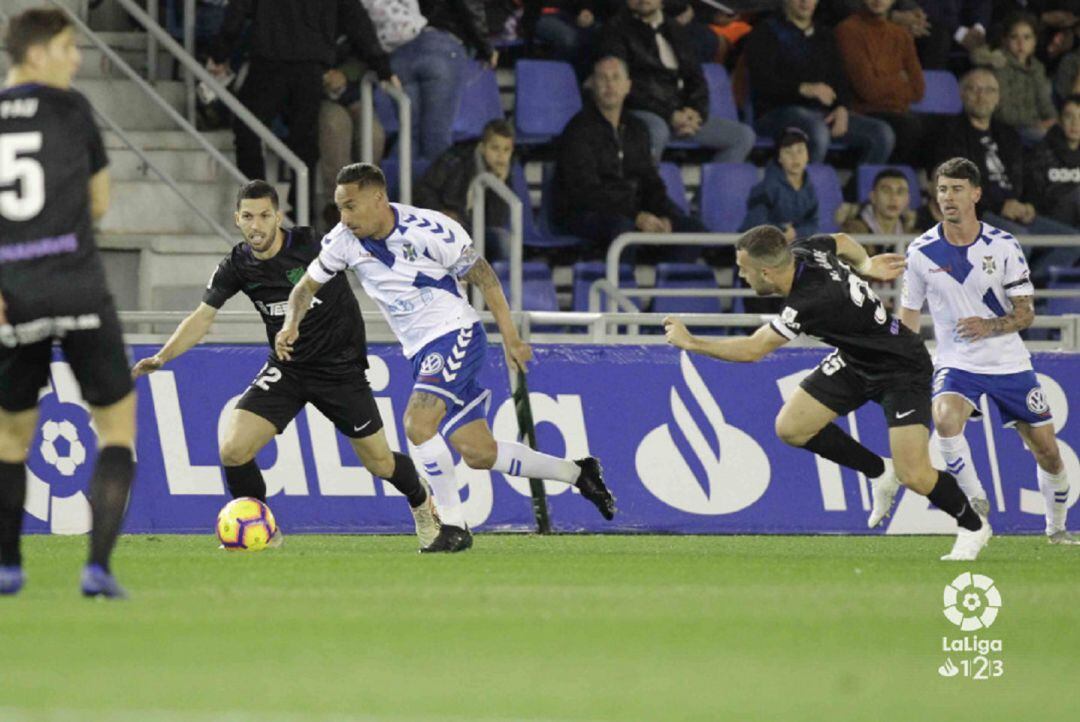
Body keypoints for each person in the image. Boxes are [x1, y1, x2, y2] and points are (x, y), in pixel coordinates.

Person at [276, 163, 616, 553]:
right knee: (479, 453)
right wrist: (291, 324)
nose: (344, 217)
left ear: (378, 198)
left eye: (351, 206)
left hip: (455, 333)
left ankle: (453, 526)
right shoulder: (343, 241)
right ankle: (578, 472)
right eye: (340, 208)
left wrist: (511, 338)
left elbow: (485, 276)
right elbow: (303, 289)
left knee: (418, 424)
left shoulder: (428, 229)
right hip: (420, 351)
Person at [131, 181, 439, 550]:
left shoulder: (313, 245)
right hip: (288, 369)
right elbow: (202, 317)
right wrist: (163, 356)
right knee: (233, 449)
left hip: (340, 371)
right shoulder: (237, 265)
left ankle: (421, 501)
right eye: (248, 217)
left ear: (279, 217)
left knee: (380, 463)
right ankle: (262, 533)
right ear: (237, 219)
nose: (256, 225)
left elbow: (372, 258)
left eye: (264, 216)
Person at [663, 227, 994, 560]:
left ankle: (973, 525)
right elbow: (840, 240)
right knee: (791, 427)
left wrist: (691, 342)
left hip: (901, 369)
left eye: (743, 269)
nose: (741, 275)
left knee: (915, 474)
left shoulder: (810, 300)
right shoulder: (805, 251)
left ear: (766, 272)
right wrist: (865, 265)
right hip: (855, 360)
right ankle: (880, 470)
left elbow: (753, 349)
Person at [0, 9, 137, 597]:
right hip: (79, 286)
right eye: (66, 47)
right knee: (116, 432)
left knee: (9, 440)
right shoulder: (73, 111)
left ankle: (8, 567)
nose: (76, 58)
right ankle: (97, 568)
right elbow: (101, 203)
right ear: (35, 54)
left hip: (14, 294)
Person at [900, 157, 1077, 545]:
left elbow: (1026, 313)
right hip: (957, 362)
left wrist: (989, 326)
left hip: (1009, 363)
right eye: (942, 189)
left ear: (976, 194)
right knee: (945, 418)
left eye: (957, 189)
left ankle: (1057, 528)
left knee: (1047, 451)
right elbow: (909, 314)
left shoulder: (1003, 245)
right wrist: (903, 359)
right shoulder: (921, 251)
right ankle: (975, 497)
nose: (947, 197)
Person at [207, 0, 396, 212]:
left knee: (248, 129)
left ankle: (259, 204)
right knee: (304, 143)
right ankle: (301, 215)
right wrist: (383, 68)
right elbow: (356, 20)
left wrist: (220, 53)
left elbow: (238, 11)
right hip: (311, 65)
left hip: (269, 59)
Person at [552, 55, 709, 260]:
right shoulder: (578, 130)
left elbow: (650, 181)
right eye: (603, 78)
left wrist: (665, 215)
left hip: (629, 211)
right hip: (585, 212)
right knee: (623, 229)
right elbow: (586, 191)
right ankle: (623, 289)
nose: (609, 84)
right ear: (592, 84)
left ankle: (669, 289)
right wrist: (636, 216)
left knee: (691, 228)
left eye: (616, 77)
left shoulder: (637, 128)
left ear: (628, 86)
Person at [932, 68, 1078, 250]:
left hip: (1014, 211)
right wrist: (1000, 206)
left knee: (1072, 241)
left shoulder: (1009, 135)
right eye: (974, 89)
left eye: (989, 90)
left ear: (998, 97)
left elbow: (1026, 176)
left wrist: (1029, 205)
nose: (981, 96)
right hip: (980, 212)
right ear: (962, 94)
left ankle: (1036, 279)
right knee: (1019, 240)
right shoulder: (949, 133)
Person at [597, 0, 756, 162]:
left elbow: (696, 78)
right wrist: (669, 114)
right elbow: (624, 87)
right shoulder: (615, 30)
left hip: (680, 114)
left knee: (742, 136)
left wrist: (695, 112)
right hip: (641, 112)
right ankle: (644, 186)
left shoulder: (676, 29)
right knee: (657, 131)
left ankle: (720, 186)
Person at [743, 0, 895, 165]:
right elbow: (762, 82)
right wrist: (802, 89)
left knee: (882, 134)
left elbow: (840, 78)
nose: (805, 2)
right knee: (817, 131)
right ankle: (806, 188)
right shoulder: (765, 32)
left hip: (822, 114)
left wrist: (842, 107)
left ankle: (853, 190)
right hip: (777, 112)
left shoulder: (825, 35)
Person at [361, 0, 497, 163]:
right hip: (442, 46)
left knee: (408, 136)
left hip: (401, 48)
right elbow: (469, 5)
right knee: (436, 138)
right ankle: (433, 188)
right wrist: (486, 47)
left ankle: (400, 187)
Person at [836, 0, 928, 166]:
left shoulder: (901, 35)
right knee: (909, 127)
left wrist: (881, 79)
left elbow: (918, 89)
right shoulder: (848, 30)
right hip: (863, 112)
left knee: (937, 129)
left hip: (896, 112)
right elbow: (867, 90)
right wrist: (899, 79)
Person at [414, 119, 517, 260]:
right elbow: (423, 189)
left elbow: (496, 222)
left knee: (505, 241)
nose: (501, 156)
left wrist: (500, 184)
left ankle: (504, 282)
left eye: (506, 150)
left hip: (475, 230)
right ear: (482, 147)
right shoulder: (455, 160)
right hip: (446, 227)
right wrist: (441, 212)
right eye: (495, 148)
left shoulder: (505, 172)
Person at [973, 12, 1057, 145]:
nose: (1020, 43)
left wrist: (1053, 120)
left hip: (1035, 125)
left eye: (1027, 37)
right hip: (1008, 129)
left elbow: (1045, 103)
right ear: (1005, 40)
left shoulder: (1037, 67)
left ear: (1035, 41)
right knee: (1046, 138)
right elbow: (1002, 113)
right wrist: (1036, 123)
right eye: (1014, 37)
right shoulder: (999, 65)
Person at [739, 127, 820, 240]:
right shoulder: (766, 187)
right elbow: (755, 222)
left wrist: (796, 232)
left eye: (800, 150)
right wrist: (782, 230)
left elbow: (814, 224)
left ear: (808, 156)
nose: (795, 157)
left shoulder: (810, 189)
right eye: (788, 152)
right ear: (779, 158)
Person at [1026, 94, 1080, 232]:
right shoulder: (1042, 151)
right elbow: (1034, 196)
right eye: (1069, 116)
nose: (1075, 123)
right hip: (1049, 218)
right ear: (1060, 120)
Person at [839, 167, 919, 236]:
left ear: (907, 199)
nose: (894, 198)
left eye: (900, 192)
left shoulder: (914, 234)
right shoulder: (852, 230)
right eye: (886, 191)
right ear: (873, 197)